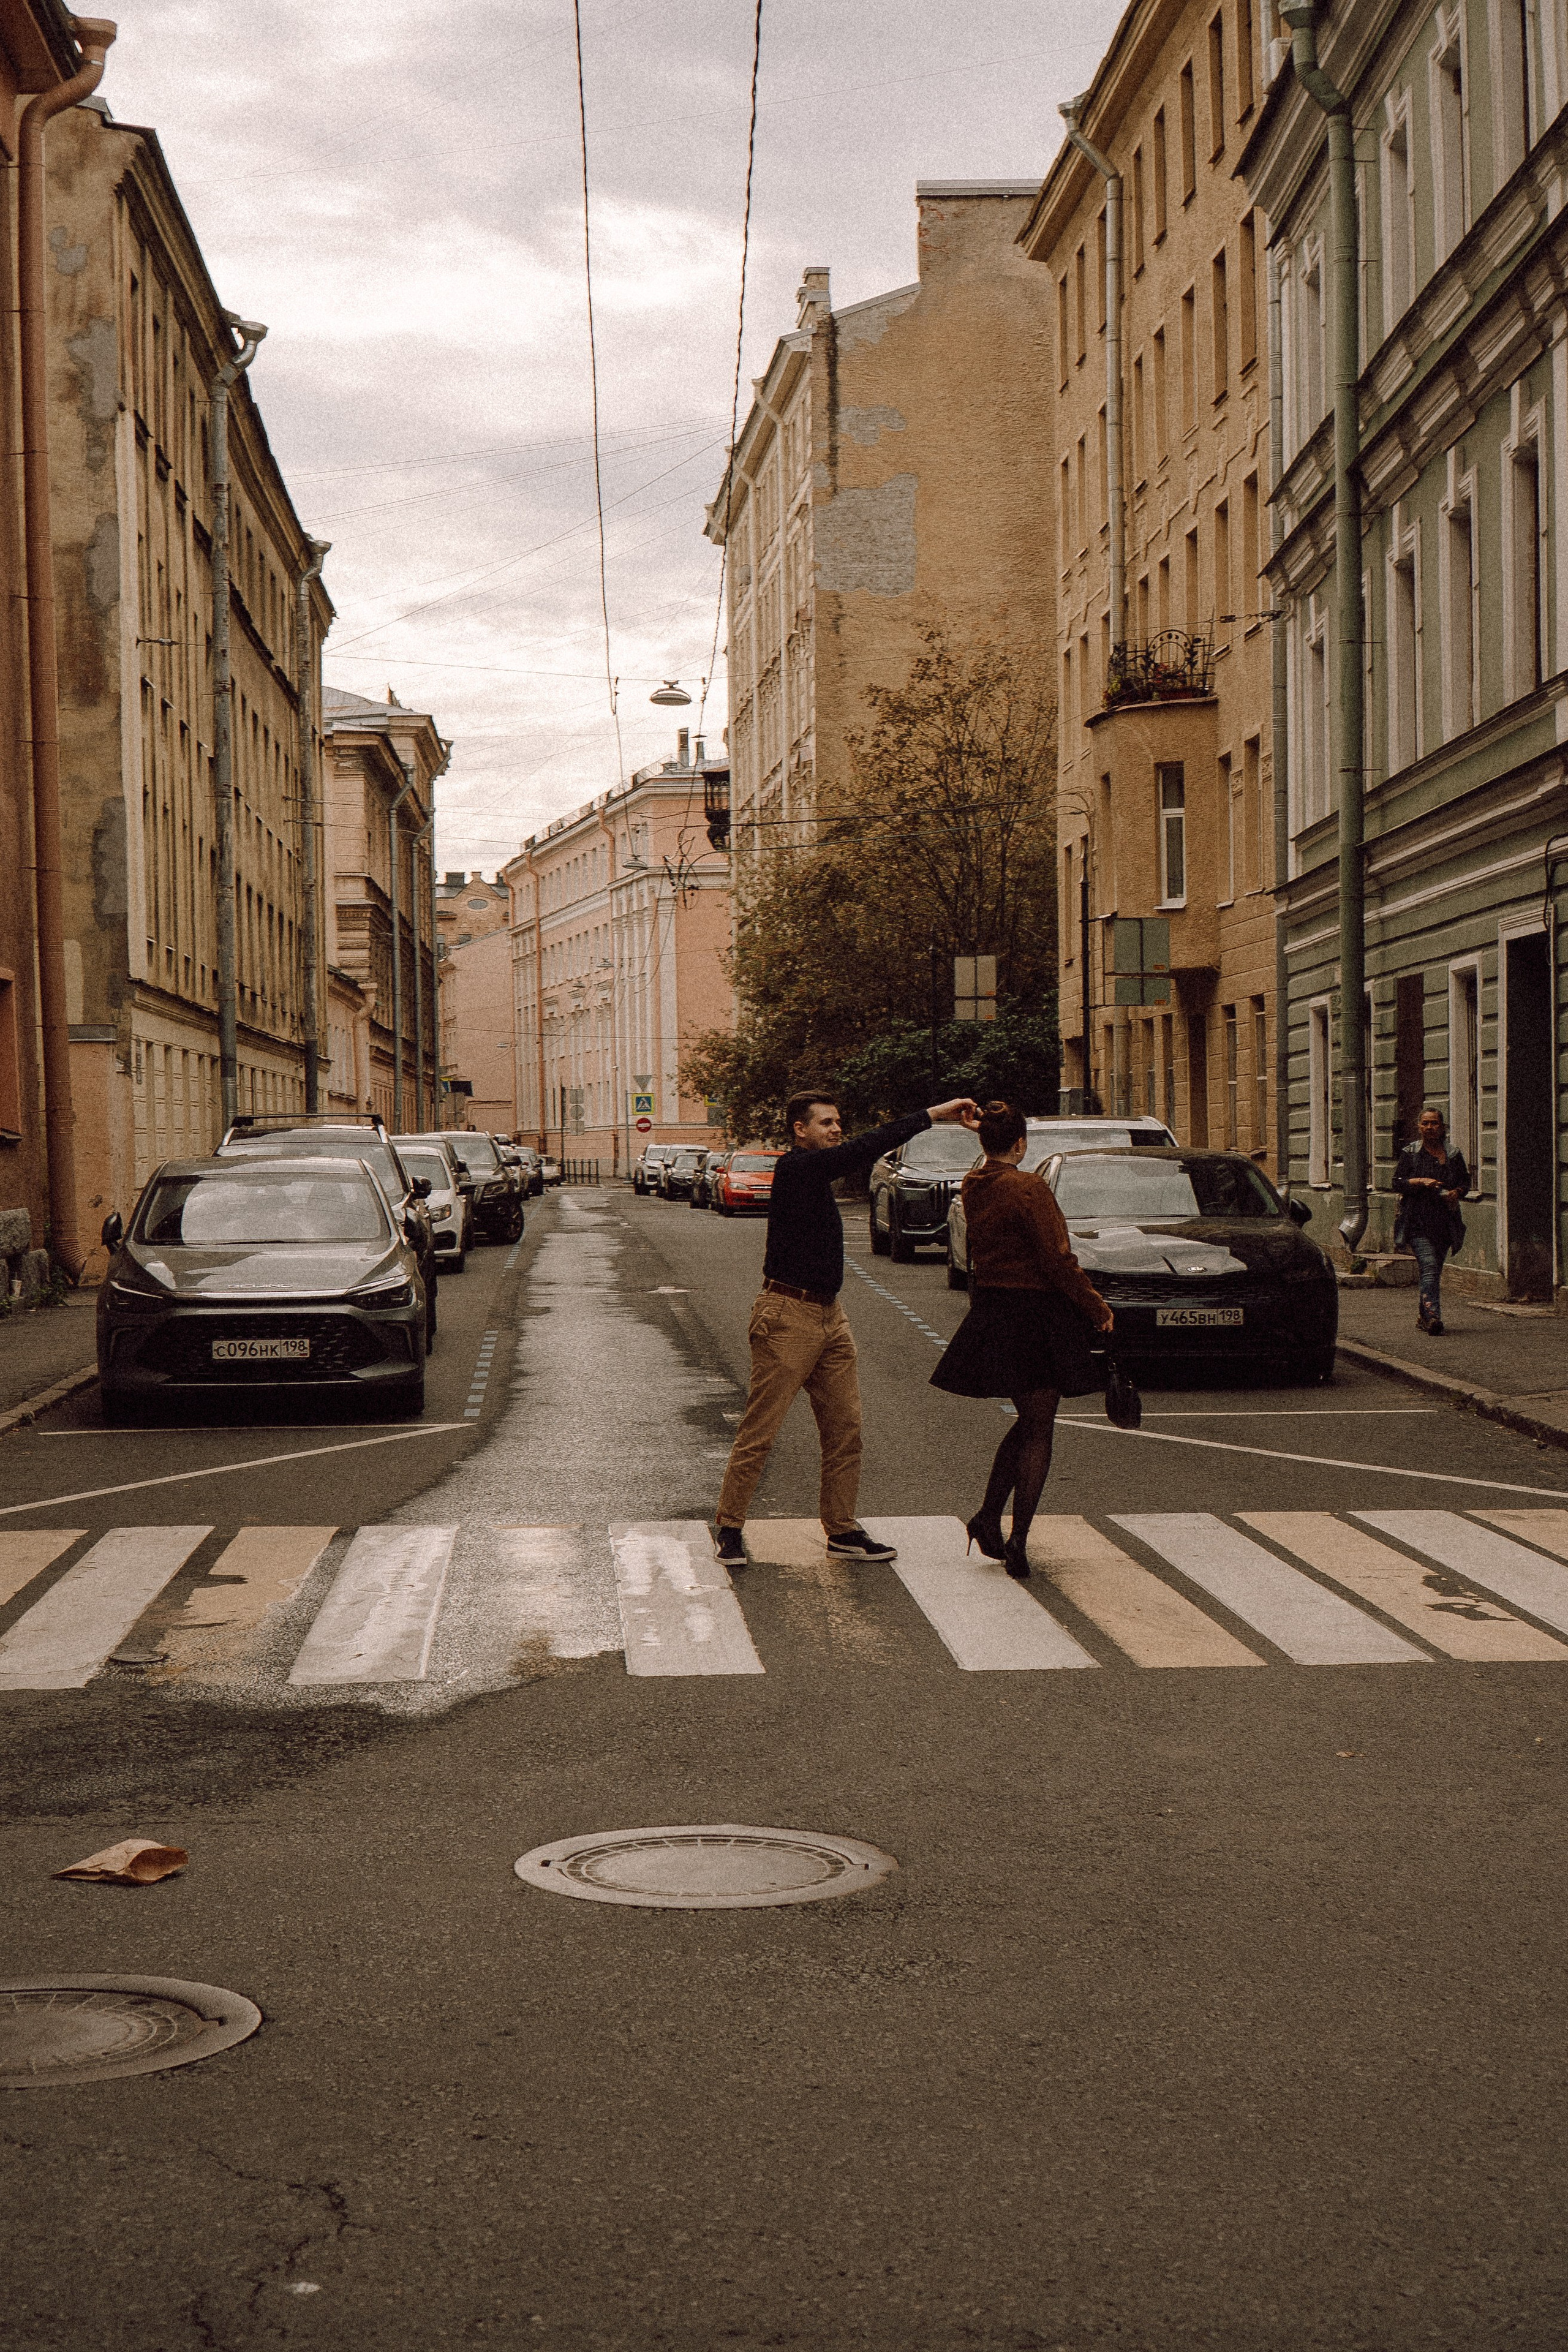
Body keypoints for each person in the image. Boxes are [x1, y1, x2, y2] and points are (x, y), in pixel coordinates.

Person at [712, 1087, 980, 1567]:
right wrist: (935, 1113)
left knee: (845, 1429)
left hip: (829, 1317)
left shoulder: (816, 1173)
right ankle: (729, 1527)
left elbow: (858, 1149)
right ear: (800, 1130)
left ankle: (841, 1529)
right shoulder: (796, 1168)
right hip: (786, 1315)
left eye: (838, 1122)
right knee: (762, 1429)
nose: (837, 1129)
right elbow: (866, 1147)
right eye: (826, 1123)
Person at [930, 1101, 1112, 1581]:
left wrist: (984, 1133)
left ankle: (989, 1519)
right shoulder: (1029, 1188)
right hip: (1036, 1313)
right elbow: (1058, 1259)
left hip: (996, 1309)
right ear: (1022, 1144)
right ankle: (1017, 1539)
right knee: (1039, 1428)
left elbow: (993, 1163)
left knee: (1031, 1420)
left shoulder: (975, 1184)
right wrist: (1097, 1308)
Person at [1393, 1106, 1470, 1335]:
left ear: (1442, 1127)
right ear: (1419, 1127)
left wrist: (1456, 1192)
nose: (1429, 1127)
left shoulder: (1453, 1154)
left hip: (1445, 1223)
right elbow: (1397, 1182)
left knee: (1434, 1270)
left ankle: (1424, 1316)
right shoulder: (1411, 1153)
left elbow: (1465, 1182)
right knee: (1429, 1266)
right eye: (1425, 1123)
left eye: (1434, 1123)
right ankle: (1434, 1317)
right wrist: (1419, 1182)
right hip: (1417, 1222)